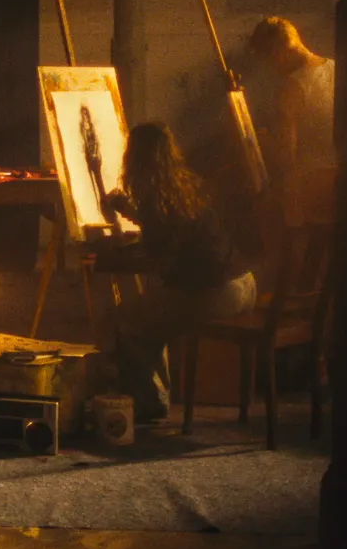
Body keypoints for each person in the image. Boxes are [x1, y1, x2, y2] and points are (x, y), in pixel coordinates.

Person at [104, 123, 257, 424]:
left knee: (129, 317)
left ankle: (150, 402)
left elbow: (160, 257)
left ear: (135, 158)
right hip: (244, 285)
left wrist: (120, 250)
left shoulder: (153, 199)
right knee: (152, 309)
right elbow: (173, 228)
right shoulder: (185, 185)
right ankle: (156, 396)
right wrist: (131, 212)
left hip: (216, 294)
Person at [247, 16, 337, 228]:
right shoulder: (336, 68)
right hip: (344, 183)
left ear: (278, 53)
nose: (271, 68)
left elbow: (285, 154)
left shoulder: (291, 87)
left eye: (268, 60)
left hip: (311, 190)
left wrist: (260, 141)